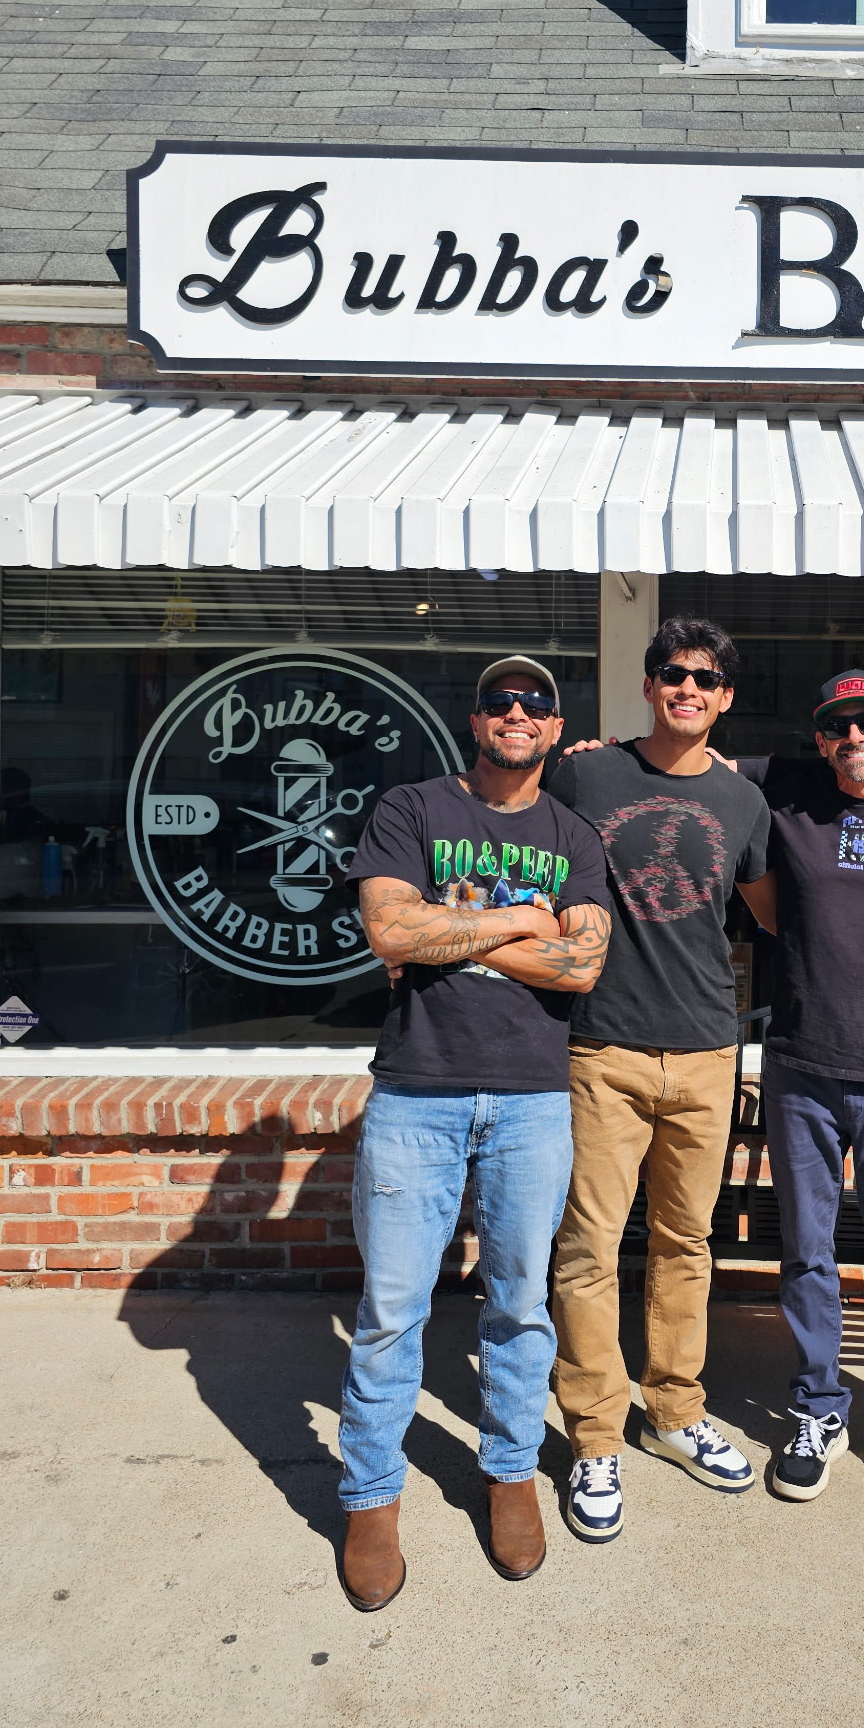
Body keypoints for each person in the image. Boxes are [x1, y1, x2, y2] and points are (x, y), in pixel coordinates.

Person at [337, 658, 612, 1604]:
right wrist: (520, 919)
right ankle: (371, 1499)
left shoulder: (572, 832)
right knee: (388, 1314)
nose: (516, 714)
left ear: (554, 722)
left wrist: (459, 923)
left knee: (521, 1306)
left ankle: (509, 1476)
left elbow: (580, 967)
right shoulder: (411, 810)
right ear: (476, 719)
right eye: (499, 701)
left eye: (533, 703)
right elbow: (391, 935)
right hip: (417, 1094)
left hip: (532, 1100)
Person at [545, 617, 773, 1544]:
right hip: (603, 1049)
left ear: (725, 697)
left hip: (708, 1050)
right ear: (649, 685)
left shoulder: (743, 801)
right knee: (589, 1249)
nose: (688, 689)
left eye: (706, 679)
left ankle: (674, 1414)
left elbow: (772, 913)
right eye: (672, 674)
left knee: (686, 1245)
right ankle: (596, 1435)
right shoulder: (587, 774)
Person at [724, 671, 864, 1513]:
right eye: (838, 724)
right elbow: (696, 761)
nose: (856, 736)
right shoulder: (789, 798)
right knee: (809, 1252)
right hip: (804, 1069)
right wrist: (610, 753)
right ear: (819, 738)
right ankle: (819, 1408)